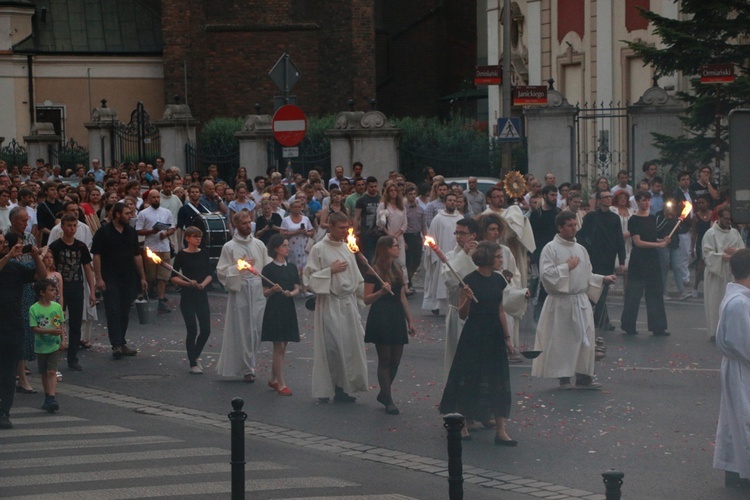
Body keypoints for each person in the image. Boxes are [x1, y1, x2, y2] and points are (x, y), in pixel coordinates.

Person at [439, 241, 517, 445]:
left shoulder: (499, 280)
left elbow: (500, 310)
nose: (501, 260)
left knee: (497, 378)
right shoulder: (469, 280)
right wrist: (466, 298)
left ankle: (501, 430)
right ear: (488, 258)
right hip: (474, 333)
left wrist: (507, 338)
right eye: (498, 257)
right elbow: (463, 314)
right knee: (469, 376)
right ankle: (463, 422)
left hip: (494, 333)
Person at [531, 211, 617, 389]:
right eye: (569, 225)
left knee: (584, 339)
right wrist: (566, 267)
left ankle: (584, 377)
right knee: (563, 341)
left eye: (575, 225)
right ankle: (563, 377)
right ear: (560, 227)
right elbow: (546, 276)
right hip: (561, 302)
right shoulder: (550, 249)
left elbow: (586, 274)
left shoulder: (581, 249)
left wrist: (602, 279)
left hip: (580, 301)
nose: (573, 229)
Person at [303, 211, 368, 403]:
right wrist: (330, 271)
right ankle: (326, 389)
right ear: (330, 227)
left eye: (346, 227)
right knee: (331, 347)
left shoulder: (348, 247)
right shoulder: (319, 249)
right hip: (330, 302)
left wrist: (361, 296)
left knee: (347, 347)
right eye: (340, 228)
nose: (344, 231)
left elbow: (355, 275)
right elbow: (309, 279)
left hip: (347, 304)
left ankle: (342, 388)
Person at [215, 210, 270, 382]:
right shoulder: (229, 247)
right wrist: (238, 268)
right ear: (236, 226)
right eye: (244, 223)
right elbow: (221, 272)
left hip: (257, 289)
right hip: (240, 290)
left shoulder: (259, 245)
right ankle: (248, 367)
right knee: (243, 329)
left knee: (257, 329)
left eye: (249, 222)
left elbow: (266, 266)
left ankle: (249, 362)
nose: (248, 226)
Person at [364, 235, 416, 415]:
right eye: (395, 246)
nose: (398, 248)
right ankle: (388, 398)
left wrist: (410, 319)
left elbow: (401, 296)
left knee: (396, 359)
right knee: (385, 359)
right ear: (386, 248)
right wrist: (380, 291)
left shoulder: (397, 268)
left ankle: (384, 393)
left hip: (395, 315)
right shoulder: (373, 270)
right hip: (381, 315)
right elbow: (366, 299)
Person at [713, 249, 750, 489]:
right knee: (742, 419)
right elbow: (743, 342)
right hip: (742, 369)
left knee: (737, 420)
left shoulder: (742, 299)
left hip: (741, 367)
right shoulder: (738, 303)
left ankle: (737, 468)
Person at [92, 202, 148, 359]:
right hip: (110, 276)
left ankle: (122, 342)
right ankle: (116, 344)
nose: (130, 216)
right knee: (113, 310)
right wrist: (99, 278)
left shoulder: (131, 232)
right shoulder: (104, 232)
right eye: (127, 213)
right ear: (117, 214)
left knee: (124, 310)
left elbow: (137, 255)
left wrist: (142, 277)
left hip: (128, 276)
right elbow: (97, 255)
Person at [0, 234, 45, 428]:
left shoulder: (14, 267)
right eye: (0, 242)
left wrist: (36, 256)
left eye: (5, 242)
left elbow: (41, 277)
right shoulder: (7, 261)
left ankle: (4, 412)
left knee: (8, 372)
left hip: (11, 326)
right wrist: (9, 255)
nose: (4, 244)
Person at [48, 214, 96, 371]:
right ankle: (52, 355)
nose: (72, 229)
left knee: (76, 322)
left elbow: (87, 269)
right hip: (59, 288)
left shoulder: (81, 246)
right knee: (56, 321)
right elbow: (50, 267)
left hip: (76, 286)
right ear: (62, 227)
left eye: (74, 226)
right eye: (68, 225)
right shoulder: (55, 246)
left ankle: (72, 357)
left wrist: (92, 291)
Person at [620, 191, 670, 336]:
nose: (647, 203)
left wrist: (663, 240)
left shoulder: (652, 218)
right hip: (639, 259)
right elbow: (638, 242)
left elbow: (653, 238)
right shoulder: (633, 220)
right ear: (637, 202)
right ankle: (628, 325)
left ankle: (658, 326)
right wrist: (658, 245)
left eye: (648, 200)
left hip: (652, 259)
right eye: (643, 200)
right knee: (634, 292)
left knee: (655, 291)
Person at [577, 190, 626, 329]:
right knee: (594, 288)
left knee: (604, 289)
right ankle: (600, 320)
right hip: (594, 258)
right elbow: (582, 235)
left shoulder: (614, 218)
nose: (608, 199)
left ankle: (600, 320)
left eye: (610, 197)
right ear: (599, 200)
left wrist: (621, 260)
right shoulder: (591, 217)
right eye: (605, 197)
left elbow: (619, 240)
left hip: (608, 258)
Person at [170, 226, 213, 374]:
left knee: (206, 329)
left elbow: (210, 274)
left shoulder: (204, 253)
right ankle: (192, 362)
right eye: (195, 236)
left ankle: (195, 355)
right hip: (187, 295)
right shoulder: (182, 255)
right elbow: (173, 276)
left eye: (199, 236)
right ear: (187, 238)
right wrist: (188, 283)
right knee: (192, 329)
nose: (198, 239)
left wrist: (203, 284)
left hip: (201, 294)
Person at [261, 234, 300, 396]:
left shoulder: (291, 267)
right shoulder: (268, 269)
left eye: (287, 245)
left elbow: (297, 287)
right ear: (276, 249)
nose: (287, 248)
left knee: (284, 347)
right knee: (279, 347)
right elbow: (265, 293)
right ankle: (281, 384)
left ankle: (273, 379)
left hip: (288, 307)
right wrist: (273, 289)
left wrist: (292, 293)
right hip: (275, 309)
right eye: (284, 245)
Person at [702, 208, 745, 341]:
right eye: (725, 218)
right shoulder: (711, 234)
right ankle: (715, 332)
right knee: (716, 302)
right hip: (716, 274)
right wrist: (721, 257)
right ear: (719, 218)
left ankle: (730, 332)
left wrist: (736, 252)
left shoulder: (734, 233)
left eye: (729, 218)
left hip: (731, 272)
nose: (728, 221)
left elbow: (742, 250)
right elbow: (706, 254)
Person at [422, 192, 463, 315]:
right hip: (441, 255)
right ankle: (437, 305)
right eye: (450, 200)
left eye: (454, 201)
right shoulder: (438, 218)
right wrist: (434, 254)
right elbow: (432, 236)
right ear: (445, 202)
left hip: (457, 255)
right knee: (439, 280)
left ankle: (455, 304)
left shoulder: (460, 218)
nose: (452, 203)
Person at [136, 190, 176, 312]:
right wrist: (151, 232)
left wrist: (166, 233)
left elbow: (172, 226)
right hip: (151, 247)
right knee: (150, 276)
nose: (156, 199)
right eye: (153, 197)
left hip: (164, 247)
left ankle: (160, 299)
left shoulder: (166, 212)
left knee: (163, 276)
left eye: (158, 197)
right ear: (148, 199)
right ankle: (147, 297)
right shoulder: (143, 214)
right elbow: (138, 230)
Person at [29, 278, 65, 413]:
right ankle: (47, 395)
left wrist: (63, 340)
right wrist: (50, 331)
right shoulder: (34, 308)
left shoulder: (56, 307)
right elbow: (34, 328)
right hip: (41, 345)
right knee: (44, 372)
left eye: (55, 290)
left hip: (54, 345)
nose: (54, 293)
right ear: (42, 292)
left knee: (51, 371)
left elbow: (61, 324)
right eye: (51, 290)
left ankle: (52, 397)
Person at [280, 199, 315, 296]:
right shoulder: (286, 220)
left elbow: (312, 232)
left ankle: (304, 289)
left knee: (305, 268)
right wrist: (295, 232)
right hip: (292, 248)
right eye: (294, 207)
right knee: (294, 268)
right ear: (290, 208)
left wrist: (306, 233)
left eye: (299, 207)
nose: (297, 209)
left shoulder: (305, 219)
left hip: (304, 247)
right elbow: (282, 234)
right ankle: (295, 288)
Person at [377, 182, 408, 277]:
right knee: (389, 260)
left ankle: (404, 283)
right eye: (391, 191)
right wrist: (389, 235)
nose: (393, 193)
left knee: (402, 261)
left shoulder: (402, 206)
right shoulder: (383, 205)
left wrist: (397, 234)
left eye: (395, 191)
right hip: (387, 236)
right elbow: (379, 223)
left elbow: (405, 223)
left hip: (399, 236)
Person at [354, 176, 382, 261]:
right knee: (369, 256)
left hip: (379, 232)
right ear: (367, 186)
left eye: (375, 186)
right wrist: (355, 233)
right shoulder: (361, 200)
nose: (373, 188)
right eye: (371, 187)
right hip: (367, 233)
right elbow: (356, 217)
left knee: (380, 256)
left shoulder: (381, 199)